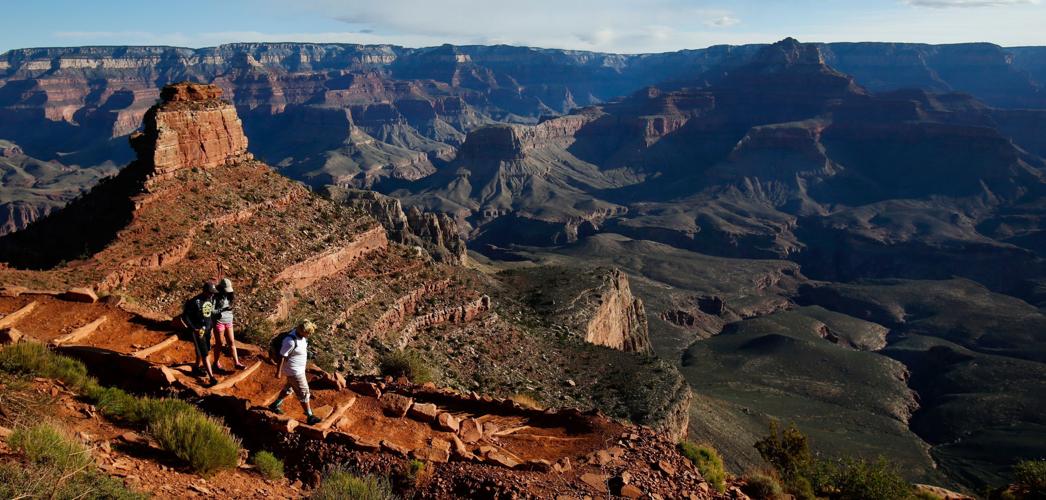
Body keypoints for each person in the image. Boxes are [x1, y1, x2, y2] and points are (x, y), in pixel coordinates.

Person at [269, 320, 322, 425]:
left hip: (297, 370)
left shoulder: (299, 336)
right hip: (294, 371)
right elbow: (282, 356)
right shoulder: (290, 341)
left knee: (289, 388)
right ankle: (310, 416)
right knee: (304, 392)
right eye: (308, 333)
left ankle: (275, 405)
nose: (310, 335)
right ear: (303, 331)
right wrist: (278, 372)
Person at [182, 281, 219, 387]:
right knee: (205, 354)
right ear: (205, 291)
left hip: (207, 330)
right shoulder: (194, 301)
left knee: (204, 350)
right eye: (211, 292)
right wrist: (194, 328)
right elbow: (185, 317)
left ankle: (196, 368)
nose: (212, 294)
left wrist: (211, 327)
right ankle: (212, 378)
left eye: (213, 292)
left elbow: (209, 315)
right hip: (199, 332)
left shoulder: (209, 299)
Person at [211, 278, 245, 371]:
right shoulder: (215, 296)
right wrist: (222, 310)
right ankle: (216, 362)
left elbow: (229, 306)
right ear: (221, 288)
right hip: (219, 322)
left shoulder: (229, 295)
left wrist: (229, 309)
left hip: (229, 321)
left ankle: (237, 362)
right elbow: (211, 311)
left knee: (231, 342)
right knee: (219, 344)